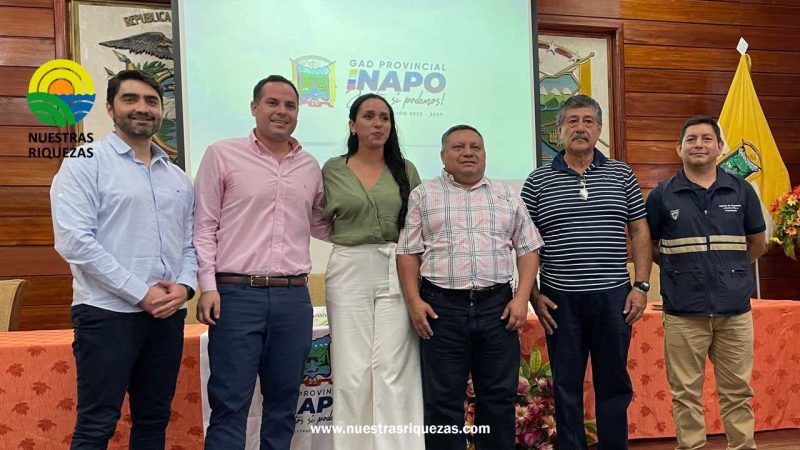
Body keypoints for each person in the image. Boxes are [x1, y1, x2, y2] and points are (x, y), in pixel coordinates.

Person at [51, 69, 197, 449]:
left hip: (167, 315)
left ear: (161, 111)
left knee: (153, 420)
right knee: (97, 424)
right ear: (110, 108)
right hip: (106, 314)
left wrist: (184, 287)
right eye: (130, 99)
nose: (142, 108)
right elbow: (74, 242)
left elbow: (190, 243)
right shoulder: (85, 161)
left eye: (151, 101)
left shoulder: (177, 176)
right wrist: (140, 293)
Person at [193, 75, 329, 449]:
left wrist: (374, 224)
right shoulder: (222, 154)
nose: (281, 112)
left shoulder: (309, 165)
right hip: (236, 295)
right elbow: (204, 225)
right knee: (229, 403)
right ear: (254, 108)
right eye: (272, 103)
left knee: (284, 405)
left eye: (289, 105)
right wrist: (207, 286)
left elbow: (320, 223)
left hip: (293, 299)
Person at [397, 124, 544, 450]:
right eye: (458, 147)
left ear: (485, 154)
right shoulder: (424, 195)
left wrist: (522, 300)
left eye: (475, 147)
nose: (468, 153)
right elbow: (408, 252)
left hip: (498, 309)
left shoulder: (506, 195)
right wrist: (413, 302)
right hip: (441, 309)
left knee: (498, 400)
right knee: (442, 403)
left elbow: (529, 249)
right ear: (443, 156)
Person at [521, 94, 651, 449]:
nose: (580, 128)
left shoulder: (621, 174)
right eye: (572, 121)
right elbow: (523, 244)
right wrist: (532, 294)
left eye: (588, 121)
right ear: (559, 130)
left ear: (599, 128)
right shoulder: (537, 181)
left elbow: (639, 230)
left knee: (614, 383)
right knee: (566, 385)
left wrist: (641, 285)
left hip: (614, 297)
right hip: (561, 299)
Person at [645, 116, 765, 450]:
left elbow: (757, 243)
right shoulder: (662, 195)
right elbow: (651, 246)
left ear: (720, 147)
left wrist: (731, 271)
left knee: (738, 392)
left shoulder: (741, 191)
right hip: (684, 312)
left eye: (707, 139)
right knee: (686, 395)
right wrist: (684, 270)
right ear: (679, 148)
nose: (699, 144)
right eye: (692, 139)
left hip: (734, 311)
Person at [322, 93, 424, 449]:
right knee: (352, 372)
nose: (378, 123)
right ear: (353, 125)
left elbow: (418, 225)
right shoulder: (333, 168)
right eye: (369, 116)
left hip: (399, 265)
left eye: (384, 117)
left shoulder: (406, 169)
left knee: (394, 370)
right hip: (350, 266)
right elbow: (317, 217)